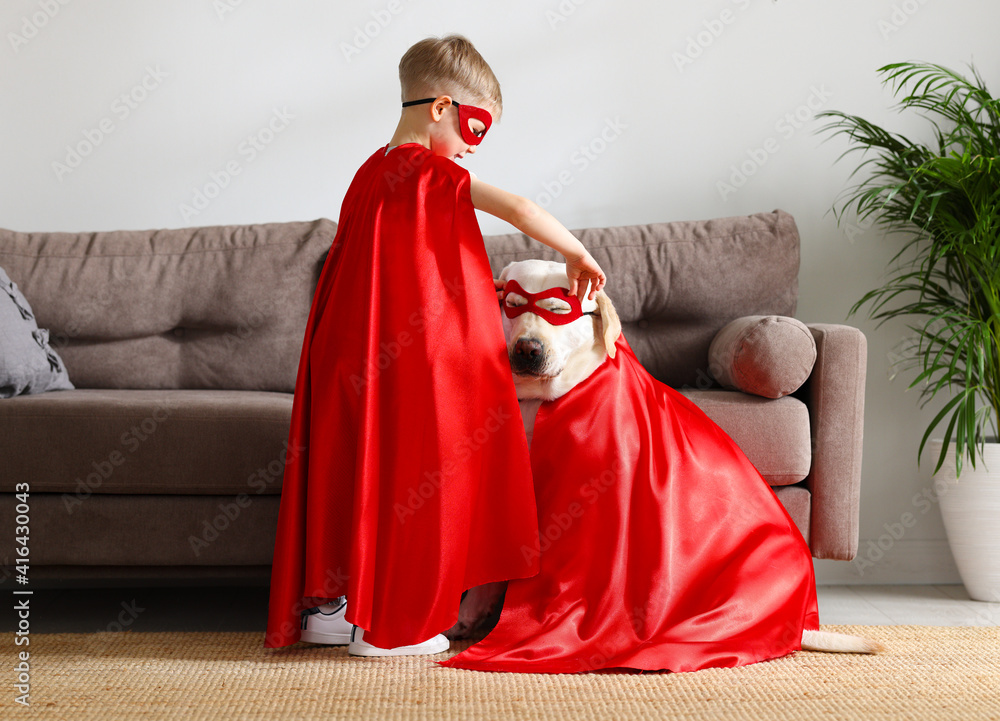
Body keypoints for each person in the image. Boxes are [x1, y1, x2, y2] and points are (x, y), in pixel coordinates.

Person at [264, 34, 607, 657]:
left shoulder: (370, 171)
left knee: (357, 471)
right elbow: (519, 206)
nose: (475, 144)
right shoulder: (421, 170)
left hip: (352, 355)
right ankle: (395, 626)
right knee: (418, 474)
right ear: (441, 107)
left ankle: (336, 612)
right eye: (476, 125)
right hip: (398, 364)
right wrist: (574, 250)